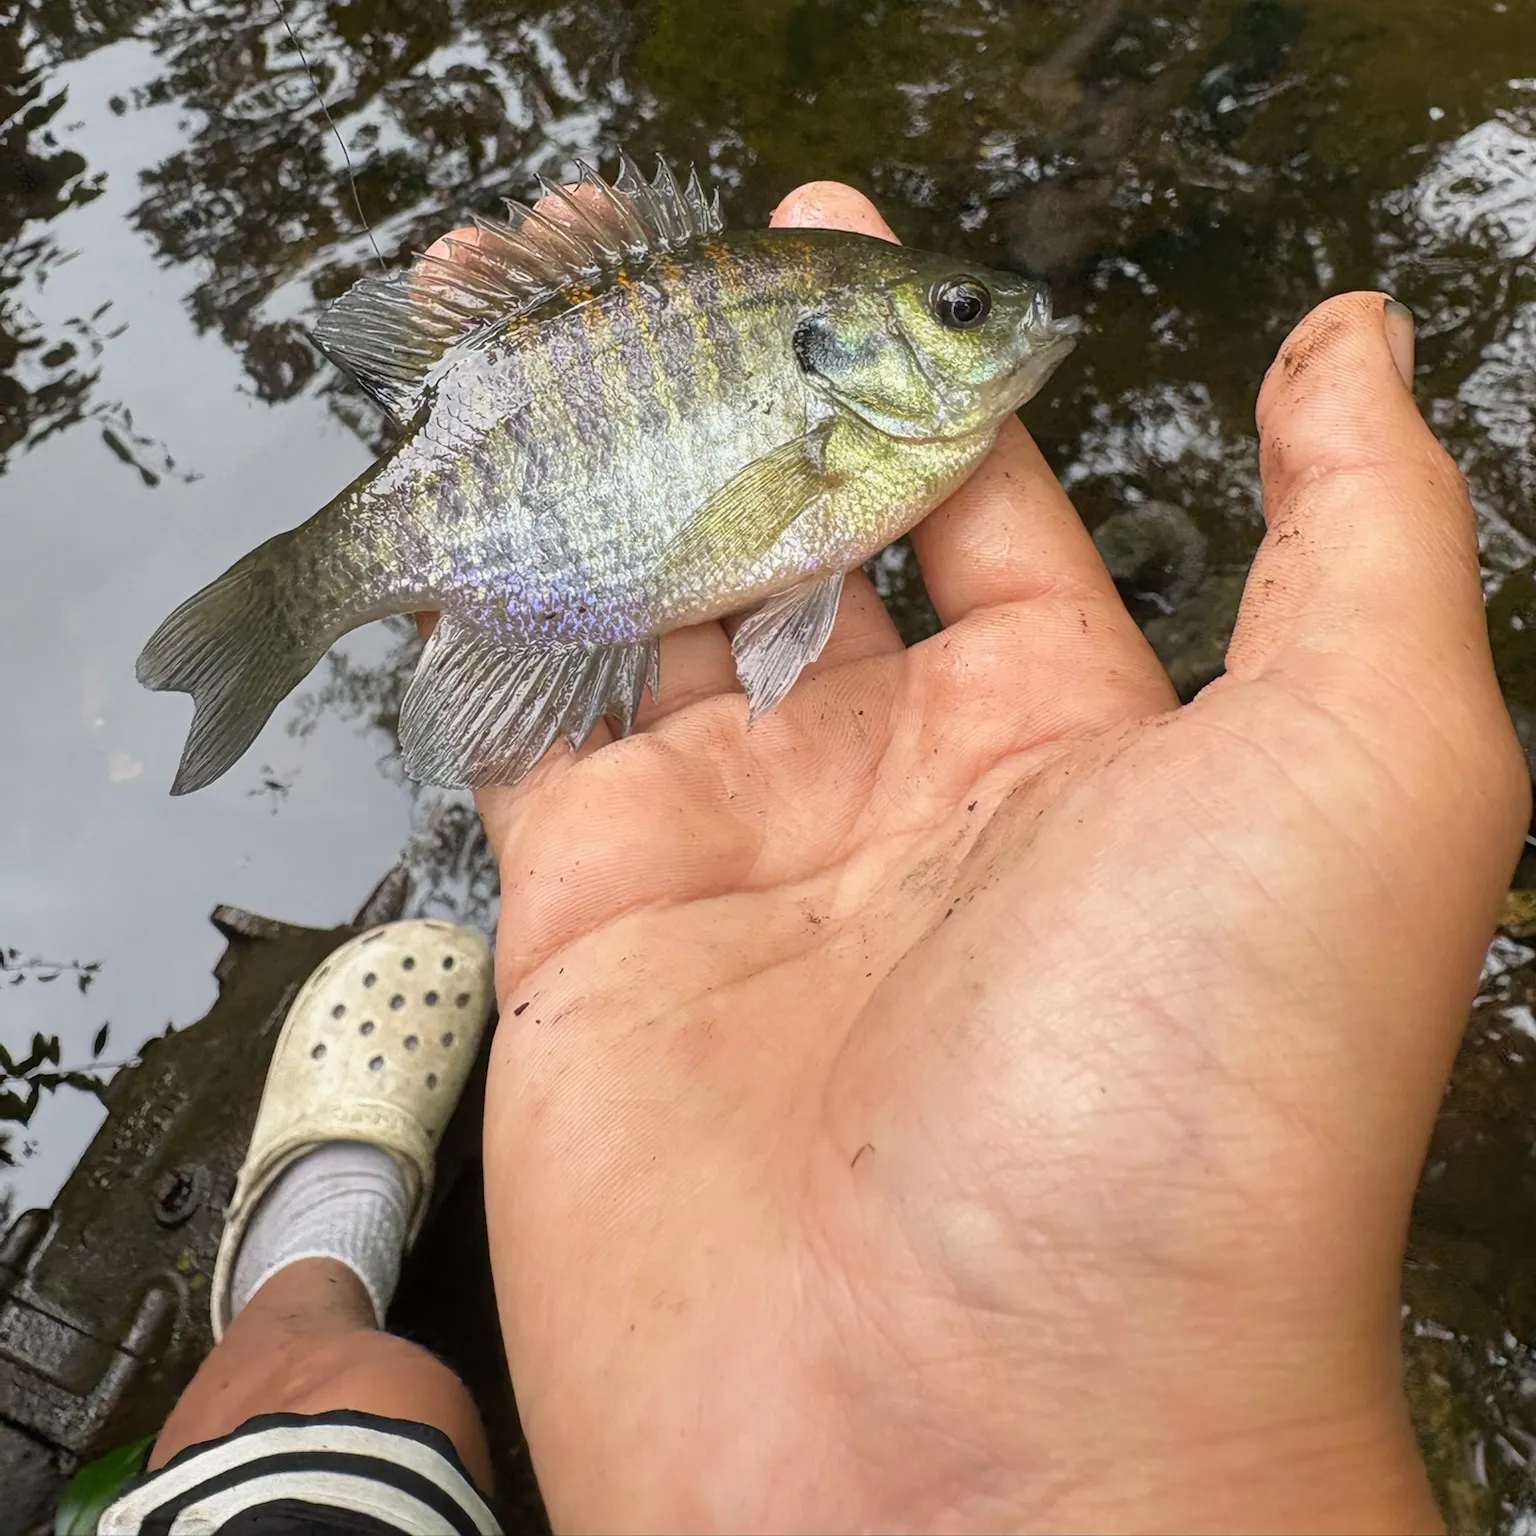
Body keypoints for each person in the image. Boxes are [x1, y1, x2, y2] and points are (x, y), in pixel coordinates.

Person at [101, 179, 1528, 1535]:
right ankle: (305, 1279)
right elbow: (770, 533)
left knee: (346, 1408)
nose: (1006, 321)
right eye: (963, 316)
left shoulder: (883, 439)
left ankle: (294, 1285)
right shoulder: (851, 438)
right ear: (840, 342)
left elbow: (776, 546)